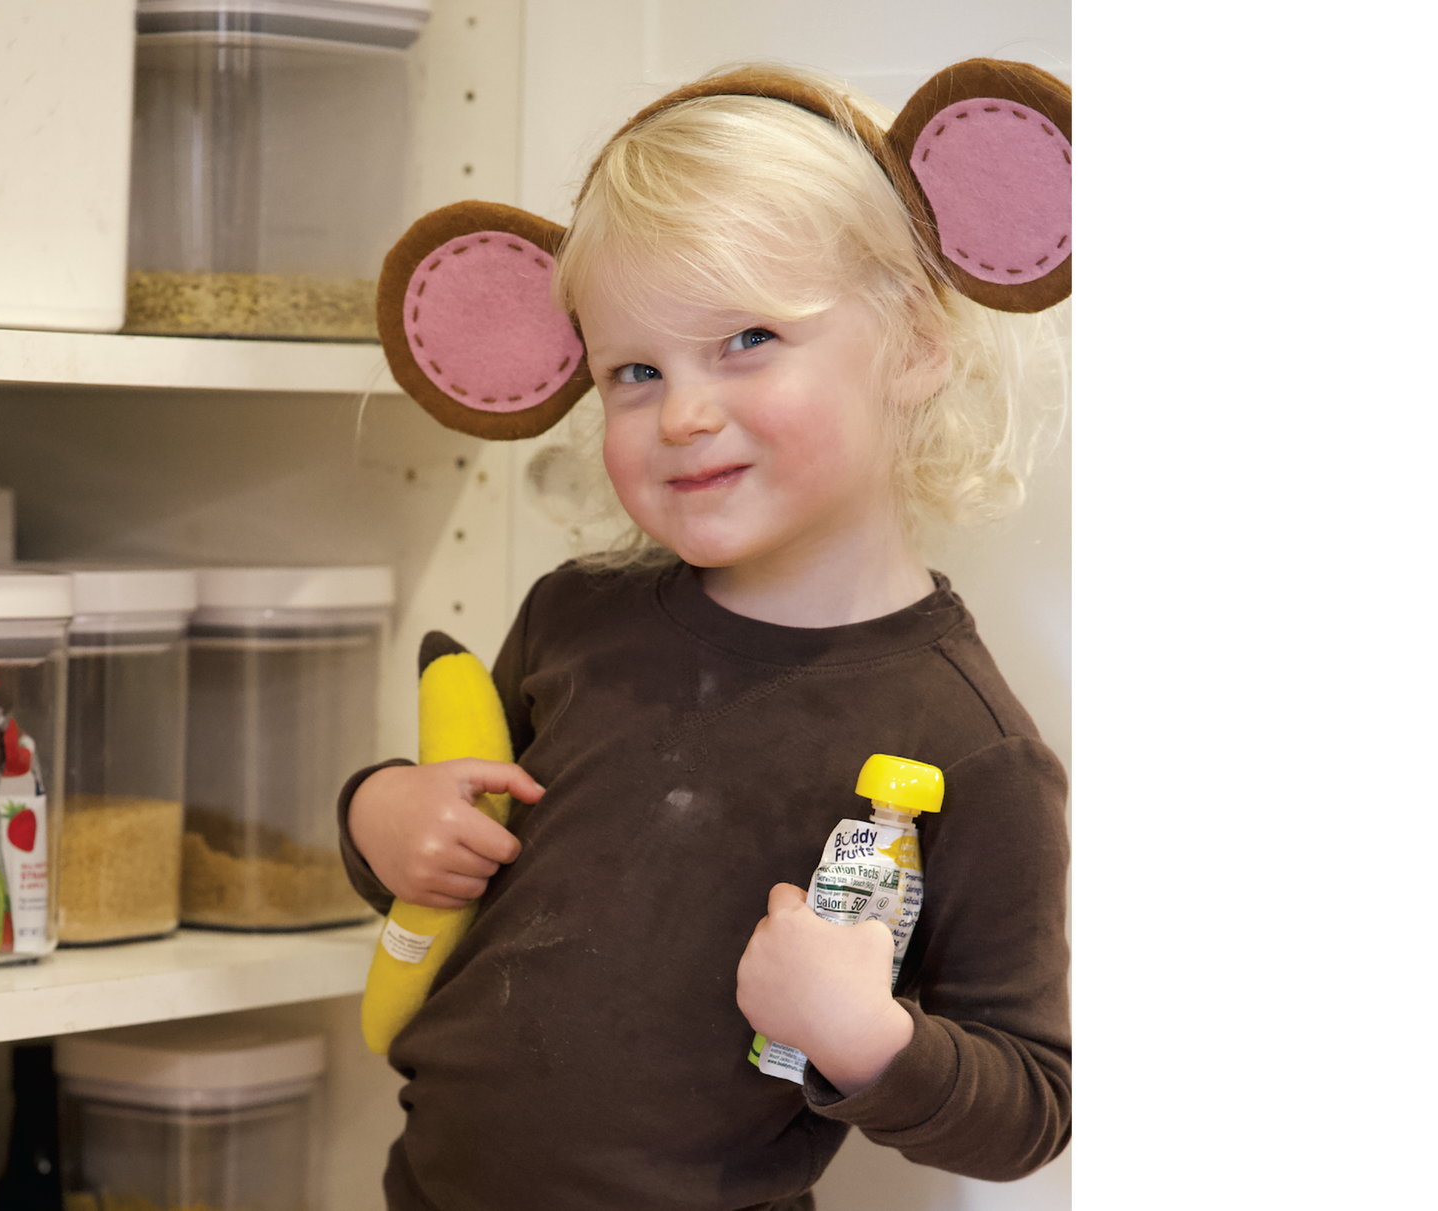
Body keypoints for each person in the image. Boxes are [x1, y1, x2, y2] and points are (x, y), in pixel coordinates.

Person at [339, 61, 1073, 1211]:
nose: (680, 412)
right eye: (634, 370)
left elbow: (1029, 1101)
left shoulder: (971, 746)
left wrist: (865, 1036)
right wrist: (378, 814)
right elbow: (455, 840)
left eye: (745, 339)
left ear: (918, 342)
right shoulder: (569, 617)